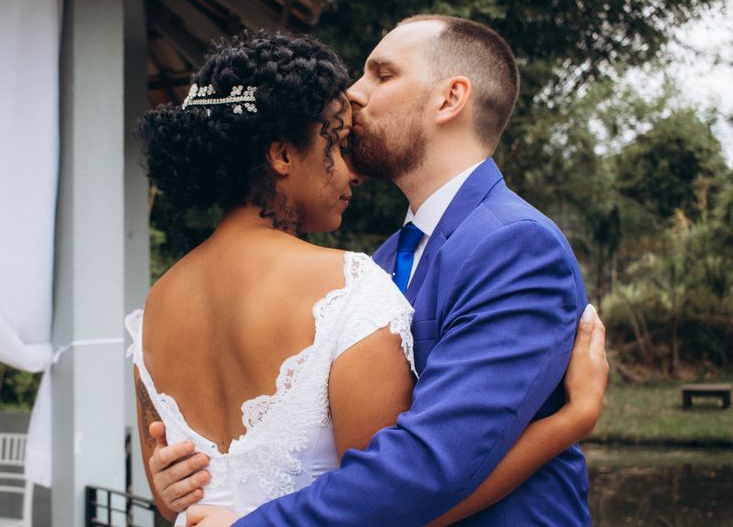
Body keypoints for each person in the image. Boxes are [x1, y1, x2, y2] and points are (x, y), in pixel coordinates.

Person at [135, 28, 607, 527]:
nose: (355, 93)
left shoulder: (515, 244)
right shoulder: (371, 268)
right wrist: (568, 423)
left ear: (450, 98)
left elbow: (427, 467)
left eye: (381, 74)